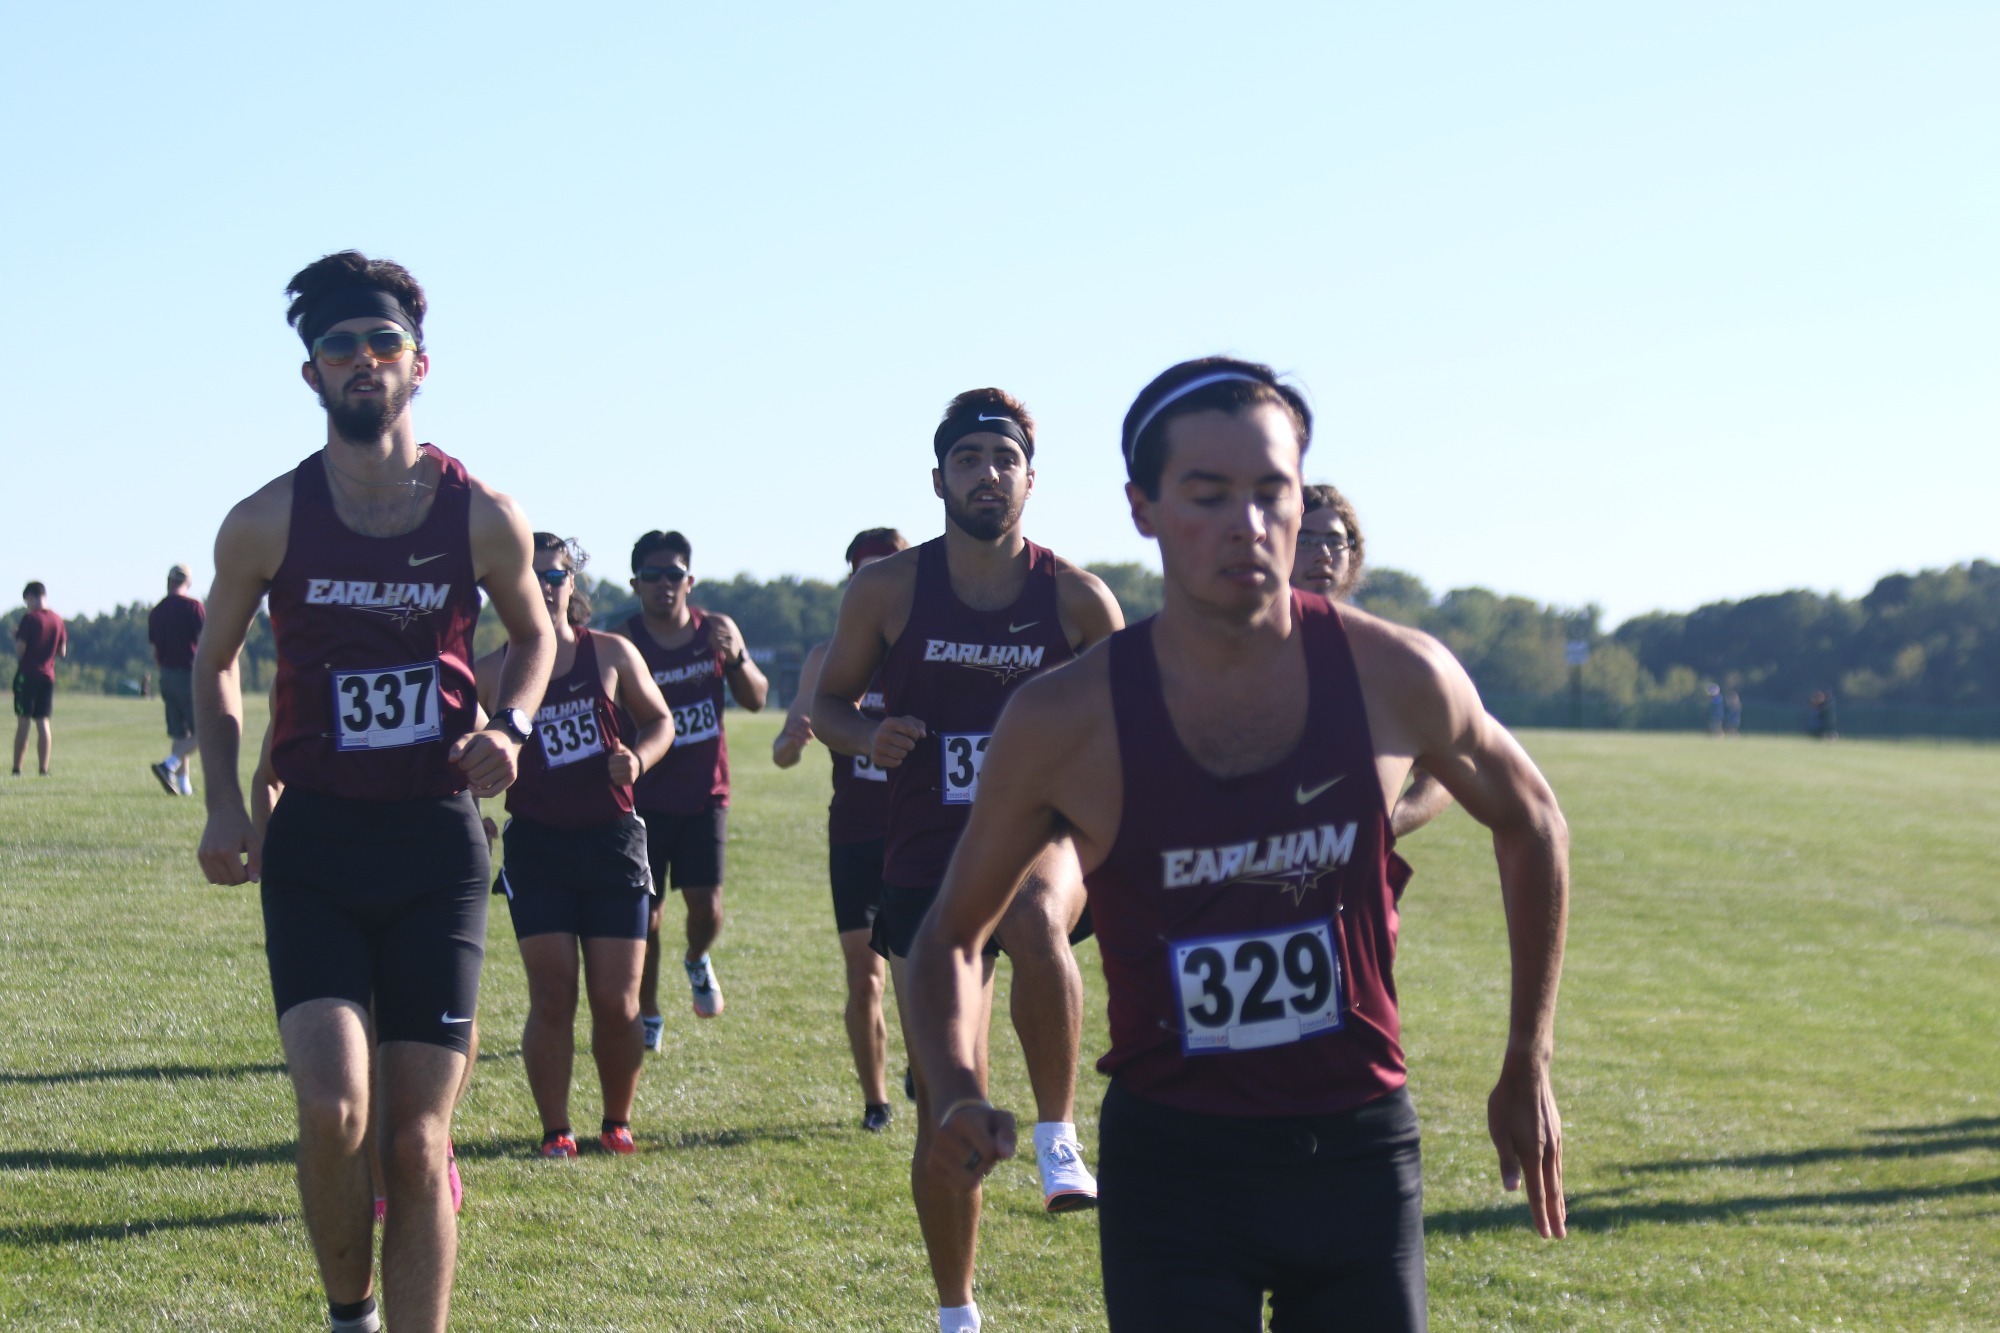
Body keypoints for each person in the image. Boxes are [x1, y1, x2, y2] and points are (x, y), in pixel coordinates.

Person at [907, 357, 1571, 1332]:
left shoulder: (1395, 674)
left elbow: (1532, 819)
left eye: (1271, 492)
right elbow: (948, 940)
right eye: (1207, 495)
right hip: (1174, 1171)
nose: (1246, 525)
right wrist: (959, 1091)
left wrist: (1526, 1055)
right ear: (1142, 507)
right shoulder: (1063, 720)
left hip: (1353, 1153)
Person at [193, 250, 555, 1333]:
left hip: (435, 844)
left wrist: (512, 725)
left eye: (381, 344)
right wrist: (223, 797)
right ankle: (348, 1310)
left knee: (416, 1137)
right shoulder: (266, 519)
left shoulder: (481, 511)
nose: (362, 362)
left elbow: (534, 634)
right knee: (333, 1106)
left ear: (419, 365)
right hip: (314, 842)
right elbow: (214, 658)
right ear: (311, 375)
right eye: (340, 347)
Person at [814, 388, 1124, 1333]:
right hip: (927, 864)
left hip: (1043, 841)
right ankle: (957, 1311)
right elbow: (826, 706)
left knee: (1035, 918)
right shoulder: (888, 590)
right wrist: (869, 739)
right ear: (938, 477)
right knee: (949, 1115)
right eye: (969, 459)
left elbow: (1128, 733)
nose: (987, 475)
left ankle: (1059, 1133)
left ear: (1031, 476)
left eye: (1004, 458)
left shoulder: (1075, 598)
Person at [477, 534, 674, 1158]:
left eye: (555, 576)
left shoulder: (612, 654)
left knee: (618, 1003)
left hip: (612, 842)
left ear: (572, 583)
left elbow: (660, 720)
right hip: (537, 846)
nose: (544, 587)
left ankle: (617, 1120)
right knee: (553, 992)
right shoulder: (488, 671)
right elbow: (459, 752)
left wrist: (637, 760)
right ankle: (555, 1130)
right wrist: (473, 809)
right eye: (530, 577)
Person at [773, 526, 909, 1132]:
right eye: (862, 573)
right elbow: (783, 752)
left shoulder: (928, 650)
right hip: (854, 835)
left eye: (887, 569)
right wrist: (790, 740)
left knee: (926, 970)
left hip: (919, 834)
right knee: (866, 975)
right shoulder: (826, 658)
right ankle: (876, 1101)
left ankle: (929, 1063)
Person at [618, 530, 768, 1037]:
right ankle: (650, 1014)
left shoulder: (716, 629)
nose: (665, 585)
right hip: (642, 799)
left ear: (690, 580)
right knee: (647, 917)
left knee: (708, 910)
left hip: (706, 795)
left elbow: (755, 699)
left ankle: (698, 959)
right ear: (636, 584)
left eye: (675, 575)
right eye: (654, 576)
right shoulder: (624, 643)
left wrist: (739, 659)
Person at [1293, 484, 1453, 839]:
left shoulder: (1385, 656)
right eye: (1305, 540)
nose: (1322, 553)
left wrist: (1386, 827)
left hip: (1350, 888)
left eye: (1335, 541)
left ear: (1353, 553)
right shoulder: (1234, 646)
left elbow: (1445, 770)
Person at [148, 564, 206, 795]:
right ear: (188, 583)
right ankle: (170, 764)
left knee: (180, 733)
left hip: (166, 674)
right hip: (189, 673)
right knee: (205, 731)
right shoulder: (194, 607)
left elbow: (155, 651)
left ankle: (182, 785)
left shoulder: (157, 611)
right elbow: (205, 644)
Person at [12, 581, 66, 777]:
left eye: (28, 601)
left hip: (28, 674)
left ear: (33, 597)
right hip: (47, 676)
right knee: (43, 722)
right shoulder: (58, 620)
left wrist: (17, 637)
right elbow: (62, 652)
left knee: (24, 720)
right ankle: (43, 769)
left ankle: (17, 768)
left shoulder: (30, 619)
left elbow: (21, 649)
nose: (28, 605)